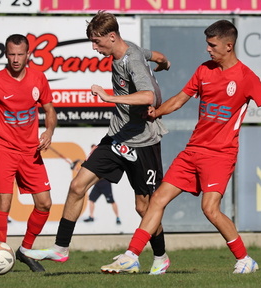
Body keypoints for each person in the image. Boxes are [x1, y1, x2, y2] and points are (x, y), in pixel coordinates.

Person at [100, 19, 261, 274]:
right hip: (193, 151)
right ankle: (131, 255)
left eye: (212, 45)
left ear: (228, 45)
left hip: (220, 154)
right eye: (207, 44)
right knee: (157, 199)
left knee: (210, 209)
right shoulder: (204, 70)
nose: (208, 49)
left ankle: (245, 259)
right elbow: (180, 99)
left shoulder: (247, 77)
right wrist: (156, 112)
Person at [24, 11, 171, 275]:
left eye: (97, 41)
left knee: (144, 207)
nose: (94, 47)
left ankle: (160, 256)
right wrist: (165, 63)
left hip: (142, 143)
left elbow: (148, 95)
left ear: (112, 37)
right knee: (77, 185)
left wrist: (108, 97)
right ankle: (61, 248)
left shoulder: (132, 59)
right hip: (117, 138)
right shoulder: (130, 51)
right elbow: (157, 56)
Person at [0, 34, 57, 273]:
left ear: (28, 54)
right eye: (12, 54)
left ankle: (25, 250)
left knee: (44, 203)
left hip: (31, 150)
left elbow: (50, 110)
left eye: (20, 54)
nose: (16, 59)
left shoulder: (38, 78)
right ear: (6, 54)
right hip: (3, 148)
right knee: (4, 201)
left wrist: (49, 131)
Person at [83, 144, 121, 225]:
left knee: (111, 201)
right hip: (97, 183)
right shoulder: (91, 159)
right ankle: (91, 216)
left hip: (105, 183)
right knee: (91, 199)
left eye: (94, 149)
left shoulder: (102, 158)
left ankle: (118, 217)